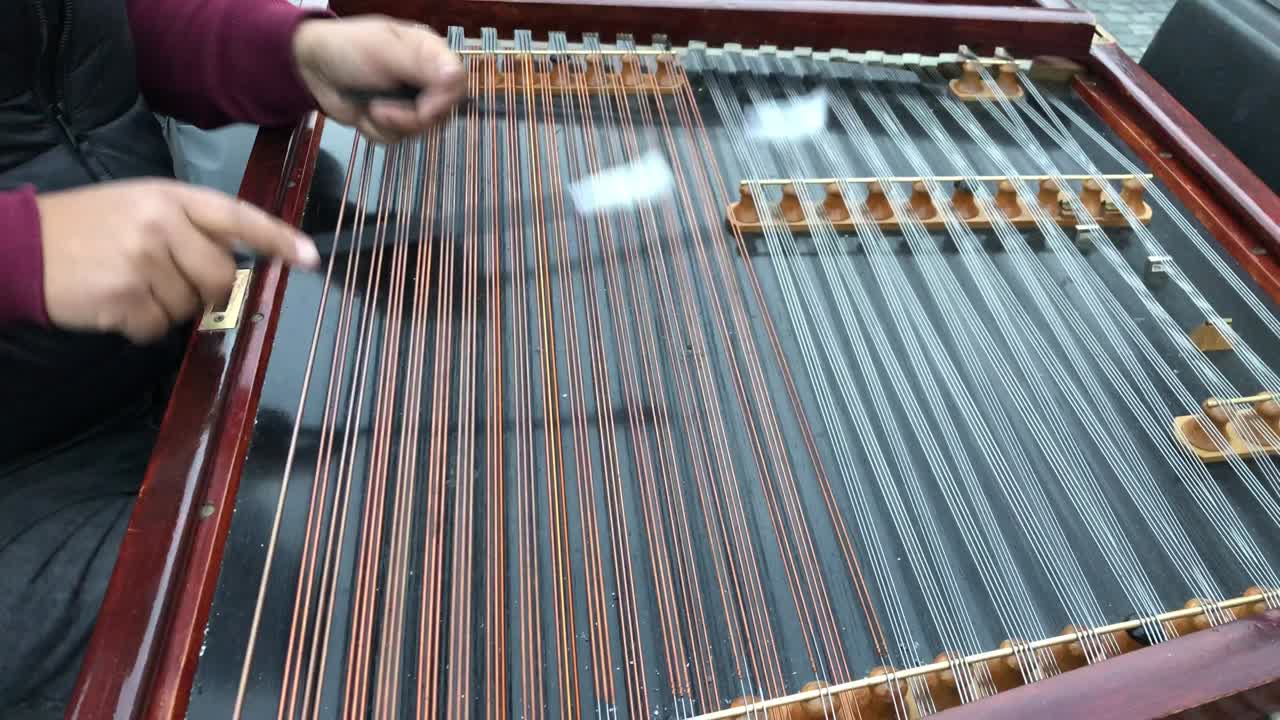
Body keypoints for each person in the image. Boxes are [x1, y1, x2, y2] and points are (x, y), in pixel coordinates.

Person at [0, 1, 464, 716]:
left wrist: (292, 53)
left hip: (142, 375)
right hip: (26, 478)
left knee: (413, 523)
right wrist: (26, 252)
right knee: (330, 642)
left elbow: (83, 30)